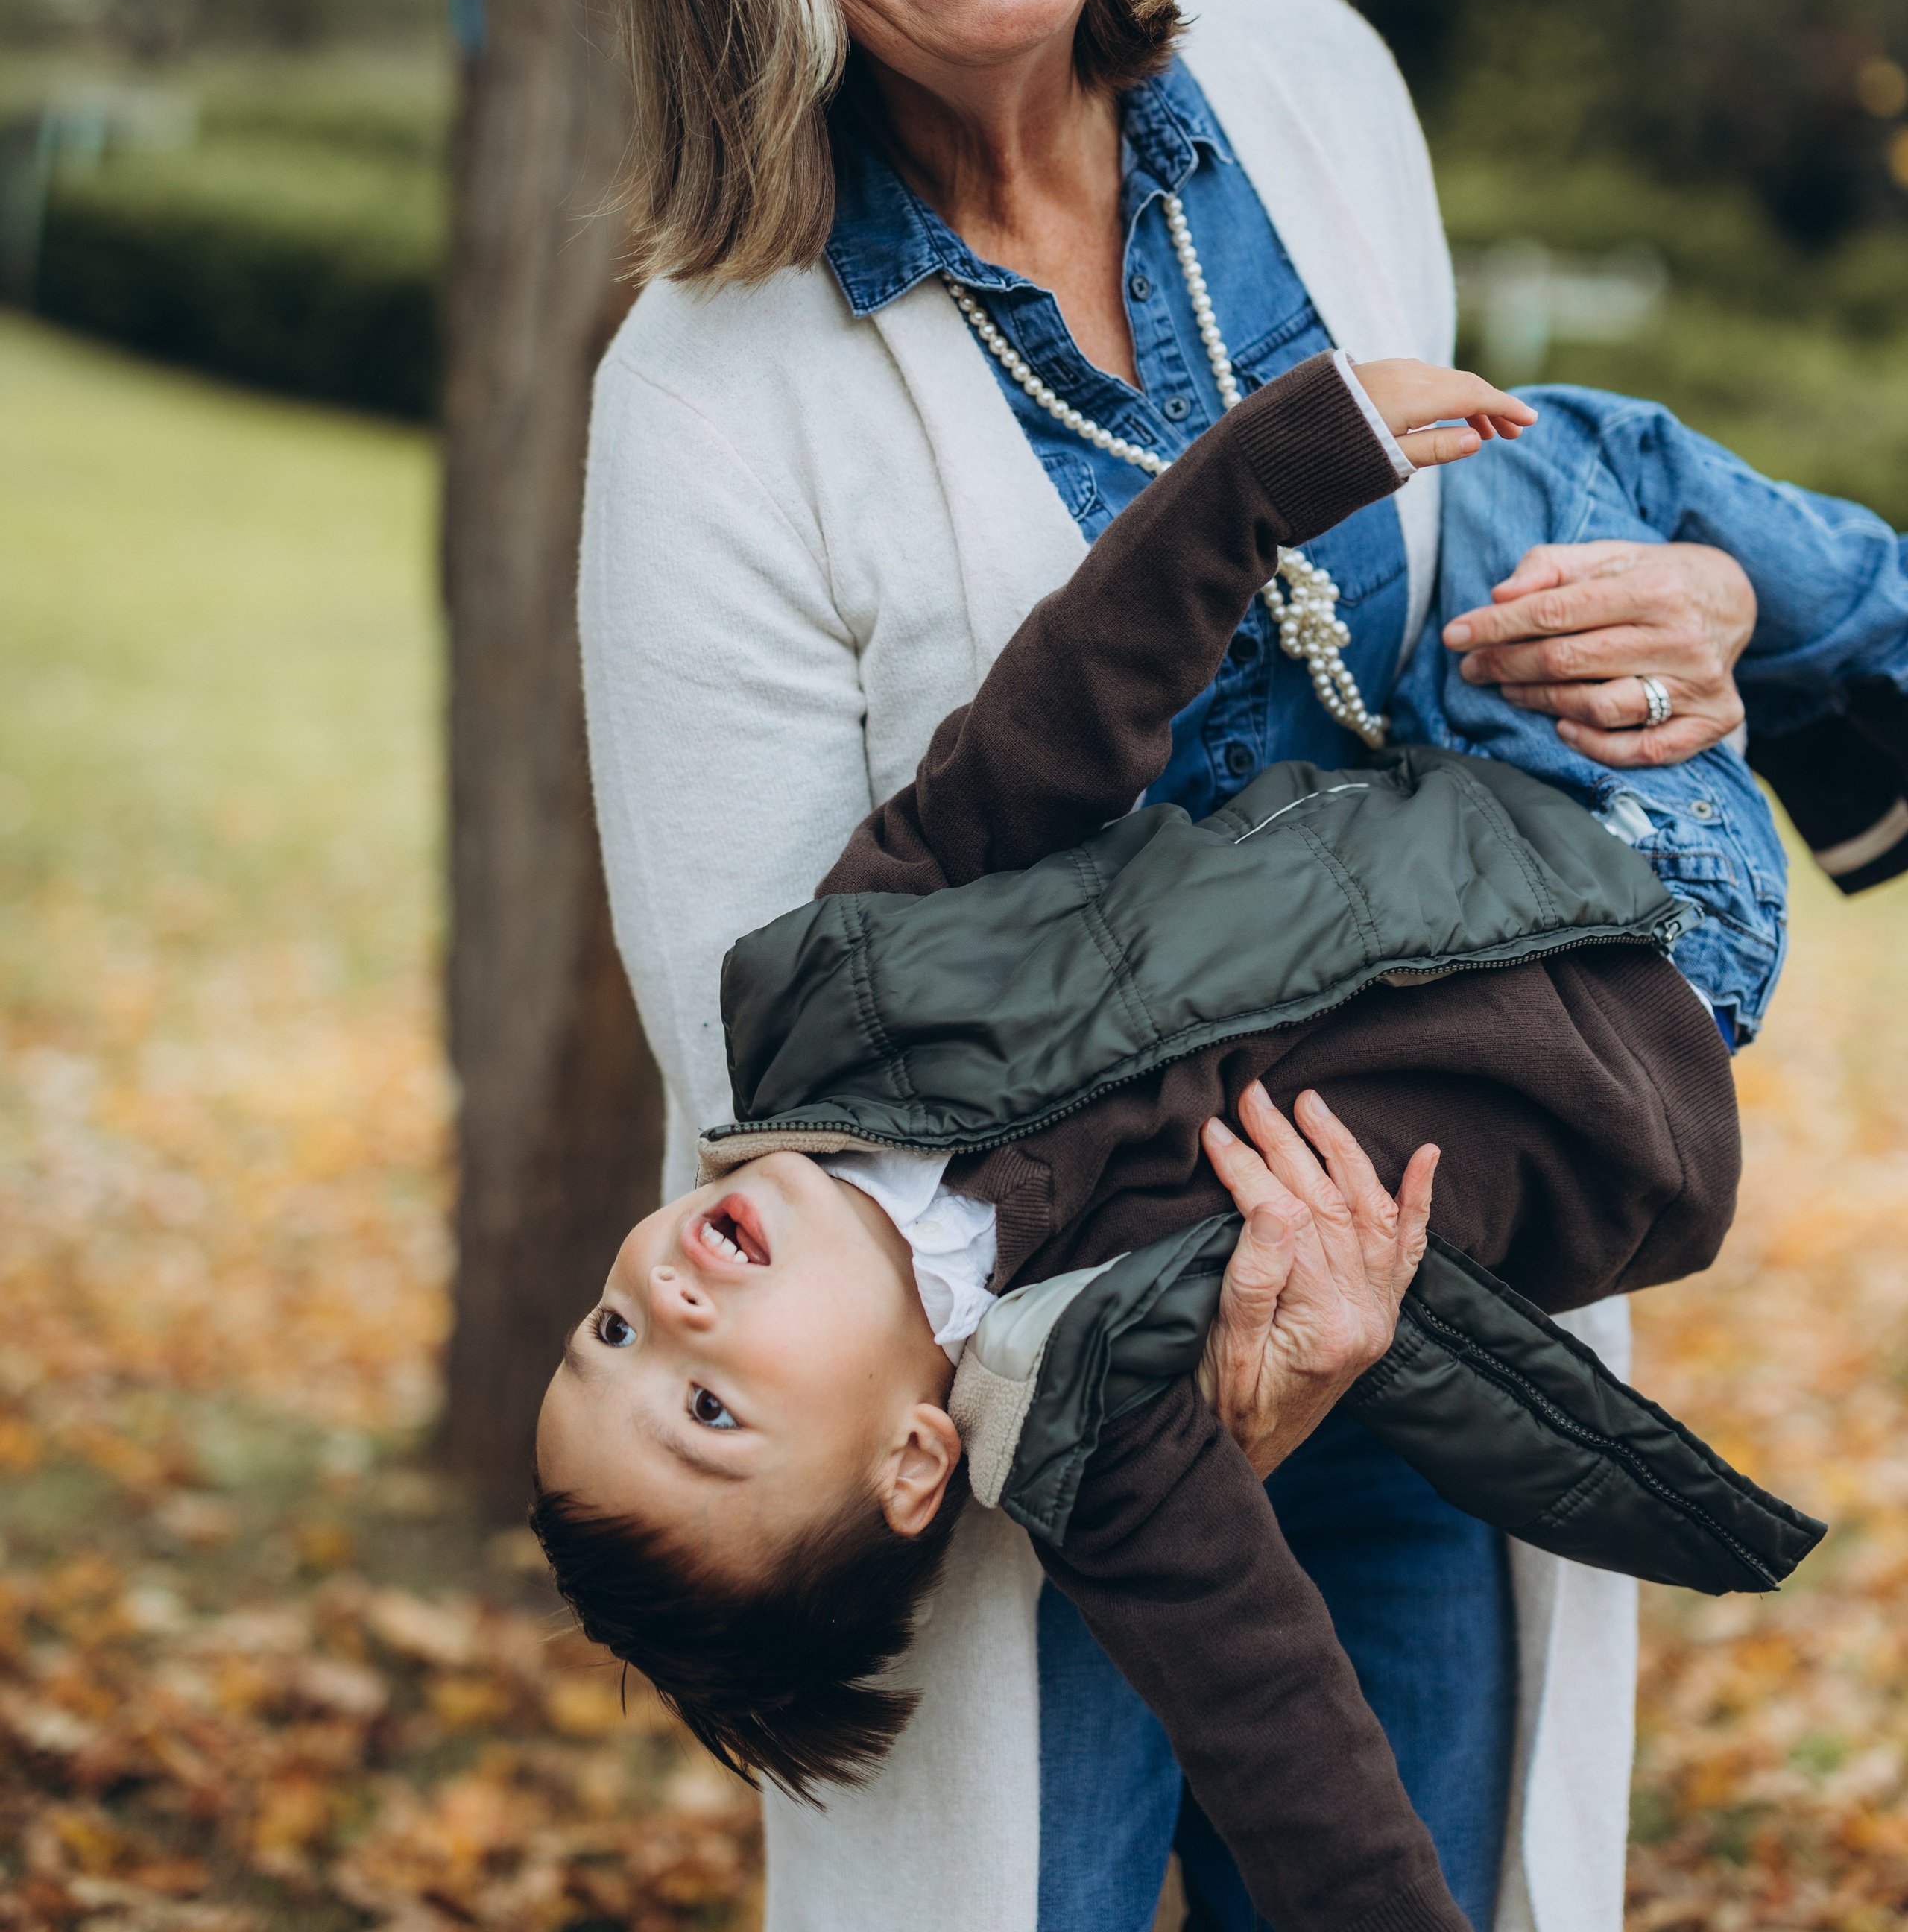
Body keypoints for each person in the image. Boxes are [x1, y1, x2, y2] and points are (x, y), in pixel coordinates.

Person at [575, 0, 1904, 1932]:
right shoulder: (709, 391)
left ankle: (1840, 655)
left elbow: (1458, 573)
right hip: (1077, 1414)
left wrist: (1692, 622)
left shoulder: (1308, 82)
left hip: (1449, 1268)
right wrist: (1193, 1377)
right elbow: (773, 1056)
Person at [540, 343, 1858, 1932]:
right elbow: (1278, 1733)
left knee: (1516, 499)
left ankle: (1869, 716)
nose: (663, 1313)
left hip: (1460, 805)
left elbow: (1046, 732)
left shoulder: (833, 1001)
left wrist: (1260, 474)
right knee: (1559, 470)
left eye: (603, 1333)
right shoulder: (1103, 1436)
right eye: (704, 1407)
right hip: (1636, 953)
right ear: (909, 1461)